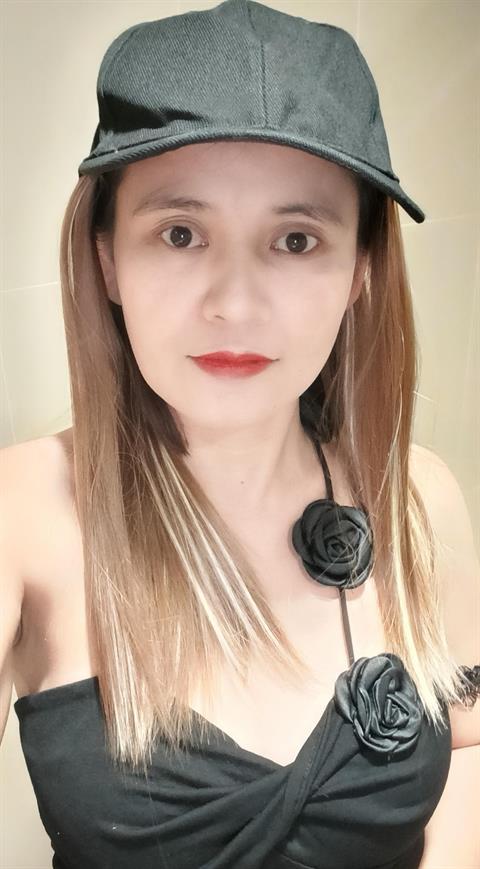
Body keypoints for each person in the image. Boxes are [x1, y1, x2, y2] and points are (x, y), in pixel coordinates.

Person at [1, 1, 479, 867]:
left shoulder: (420, 497)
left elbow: (471, 739)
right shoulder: (19, 515)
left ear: (360, 269)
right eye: (181, 233)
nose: (235, 303)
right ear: (107, 259)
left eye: (295, 240)